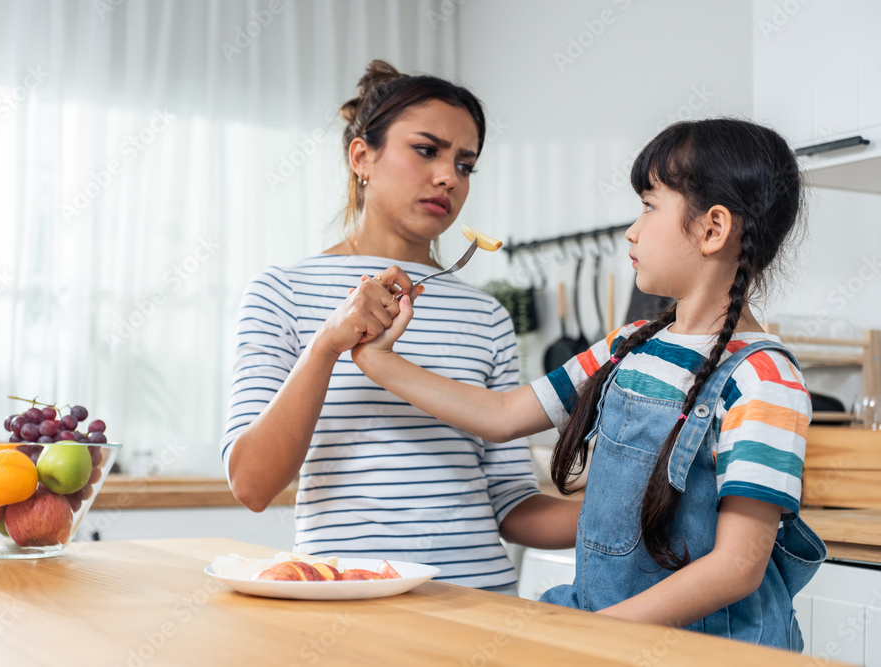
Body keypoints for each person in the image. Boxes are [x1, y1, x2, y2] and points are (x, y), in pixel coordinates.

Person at [351, 118, 827, 650]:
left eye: (649, 206)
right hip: (611, 634)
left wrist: (596, 632)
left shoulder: (765, 378)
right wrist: (377, 360)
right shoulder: (628, 343)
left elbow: (737, 567)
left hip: (710, 649)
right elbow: (504, 414)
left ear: (712, 229)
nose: (632, 230)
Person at [220, 60, 580, 592]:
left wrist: (640, 513)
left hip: (478, 606)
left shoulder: (487, 316)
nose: (448, 178)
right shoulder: (282, 292)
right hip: (343, 603)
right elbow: (252, 485)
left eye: (465, 165)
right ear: (362, 156)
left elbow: (509, 501)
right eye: (427, 150)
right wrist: (326, 346)